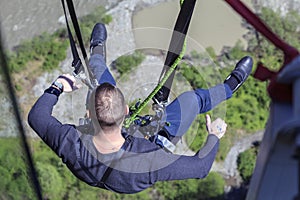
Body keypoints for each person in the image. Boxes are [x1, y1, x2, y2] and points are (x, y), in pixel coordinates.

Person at [28, 23, 253, 194]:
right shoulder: (149, 163)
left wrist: (57, 87)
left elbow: (37, 116)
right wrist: (214, 136)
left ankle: (97, 53)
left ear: (88, 115)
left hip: (120, 153)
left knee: (97, 74)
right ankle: (230, 86)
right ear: (126, 111)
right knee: (192, 100)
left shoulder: (70, 142)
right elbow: (200, 167)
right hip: (153, 144)